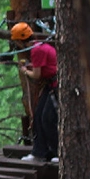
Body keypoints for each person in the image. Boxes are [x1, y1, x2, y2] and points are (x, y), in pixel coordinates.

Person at [17, 22, 59, 162]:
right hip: (50, 85)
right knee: (38, 116)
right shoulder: (39, 45)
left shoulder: (36, 50)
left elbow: (36, 75)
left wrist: (25, 71)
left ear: (19, 41)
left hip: (56, 86)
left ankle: (58, 153)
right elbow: (42, 67)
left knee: (48, 119)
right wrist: (30, 67)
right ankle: (39, 152)